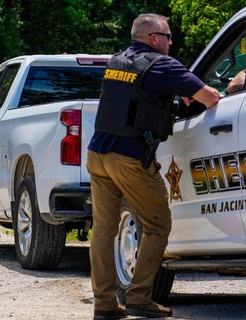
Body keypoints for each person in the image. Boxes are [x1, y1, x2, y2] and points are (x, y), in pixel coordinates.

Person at [87, 13, 220, 320]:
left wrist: (176, 94)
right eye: (169, 37)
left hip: (98, 155)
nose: (171, 43)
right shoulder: (162, 65)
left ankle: (104, 305)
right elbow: (211, 97)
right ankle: (139, 298)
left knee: (104, 231)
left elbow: (135, 99)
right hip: (130, 158)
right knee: (158, 226)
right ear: (154, 38)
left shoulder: (116, 62)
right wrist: (190, 91)